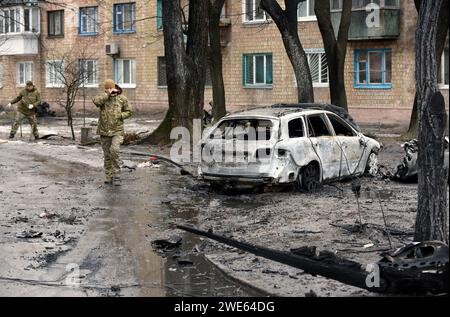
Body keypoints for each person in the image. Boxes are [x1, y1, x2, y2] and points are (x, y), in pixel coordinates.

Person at [92, 79, 132, 185]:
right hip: (104, 131)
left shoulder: (122, 99)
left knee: (114, 150)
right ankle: (109, 176)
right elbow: (96, 101)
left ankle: (117, 175)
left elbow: (129, 111)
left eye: (111, 88)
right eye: (107, 88)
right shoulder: (102, 98)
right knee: (107, 155)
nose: (109, 90)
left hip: (117, 131)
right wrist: (107, 95)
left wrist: (120, 116)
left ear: (114, 87)